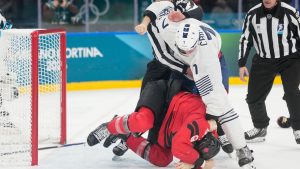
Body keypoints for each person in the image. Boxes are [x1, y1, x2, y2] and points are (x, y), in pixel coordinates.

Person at [134, 0, 234, 156]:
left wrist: (183, 15)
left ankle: (218, 132)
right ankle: (133, 135)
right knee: (149, 103)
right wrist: (183, 69)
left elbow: (198, 12)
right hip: (166, 65)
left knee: (212, 97)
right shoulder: (154, 16)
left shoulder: (179, 4)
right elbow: (162, 54)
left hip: (190, 60)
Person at [87, 79, 220, 169]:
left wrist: (195, 162)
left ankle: (127, 136)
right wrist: (200, 163)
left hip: (167, 126)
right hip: (163, 98)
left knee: (163, 159)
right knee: (143, 122)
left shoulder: (209, 135)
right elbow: (179, 147)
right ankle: (110, 126)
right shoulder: (201, 125)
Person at [238, 0, 300, 144]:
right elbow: (245, 39)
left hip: (290, 59)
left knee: (292, 93)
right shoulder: (252, 14)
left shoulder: (289, 12)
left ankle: (298, 129)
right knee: (253, 97)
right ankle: (260, 128)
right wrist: (241, 63)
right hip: (264, 60)